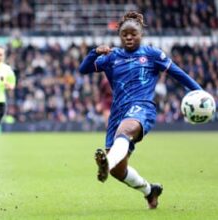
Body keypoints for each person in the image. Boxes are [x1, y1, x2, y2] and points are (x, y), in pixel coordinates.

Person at [79, 11, 203, 209]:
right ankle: (149, 190)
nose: (129, 37)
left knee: (125, 132)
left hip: (142, 107)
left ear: (141, 34)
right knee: (118, 171)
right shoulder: (112, 57)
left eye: (133, 33)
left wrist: (201, 92)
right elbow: (83, 69)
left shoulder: (152, 55)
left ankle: (106, 162)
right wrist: (95, 51)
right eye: (124, 34)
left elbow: (179, 74)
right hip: (117, 113)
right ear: (119, 35)